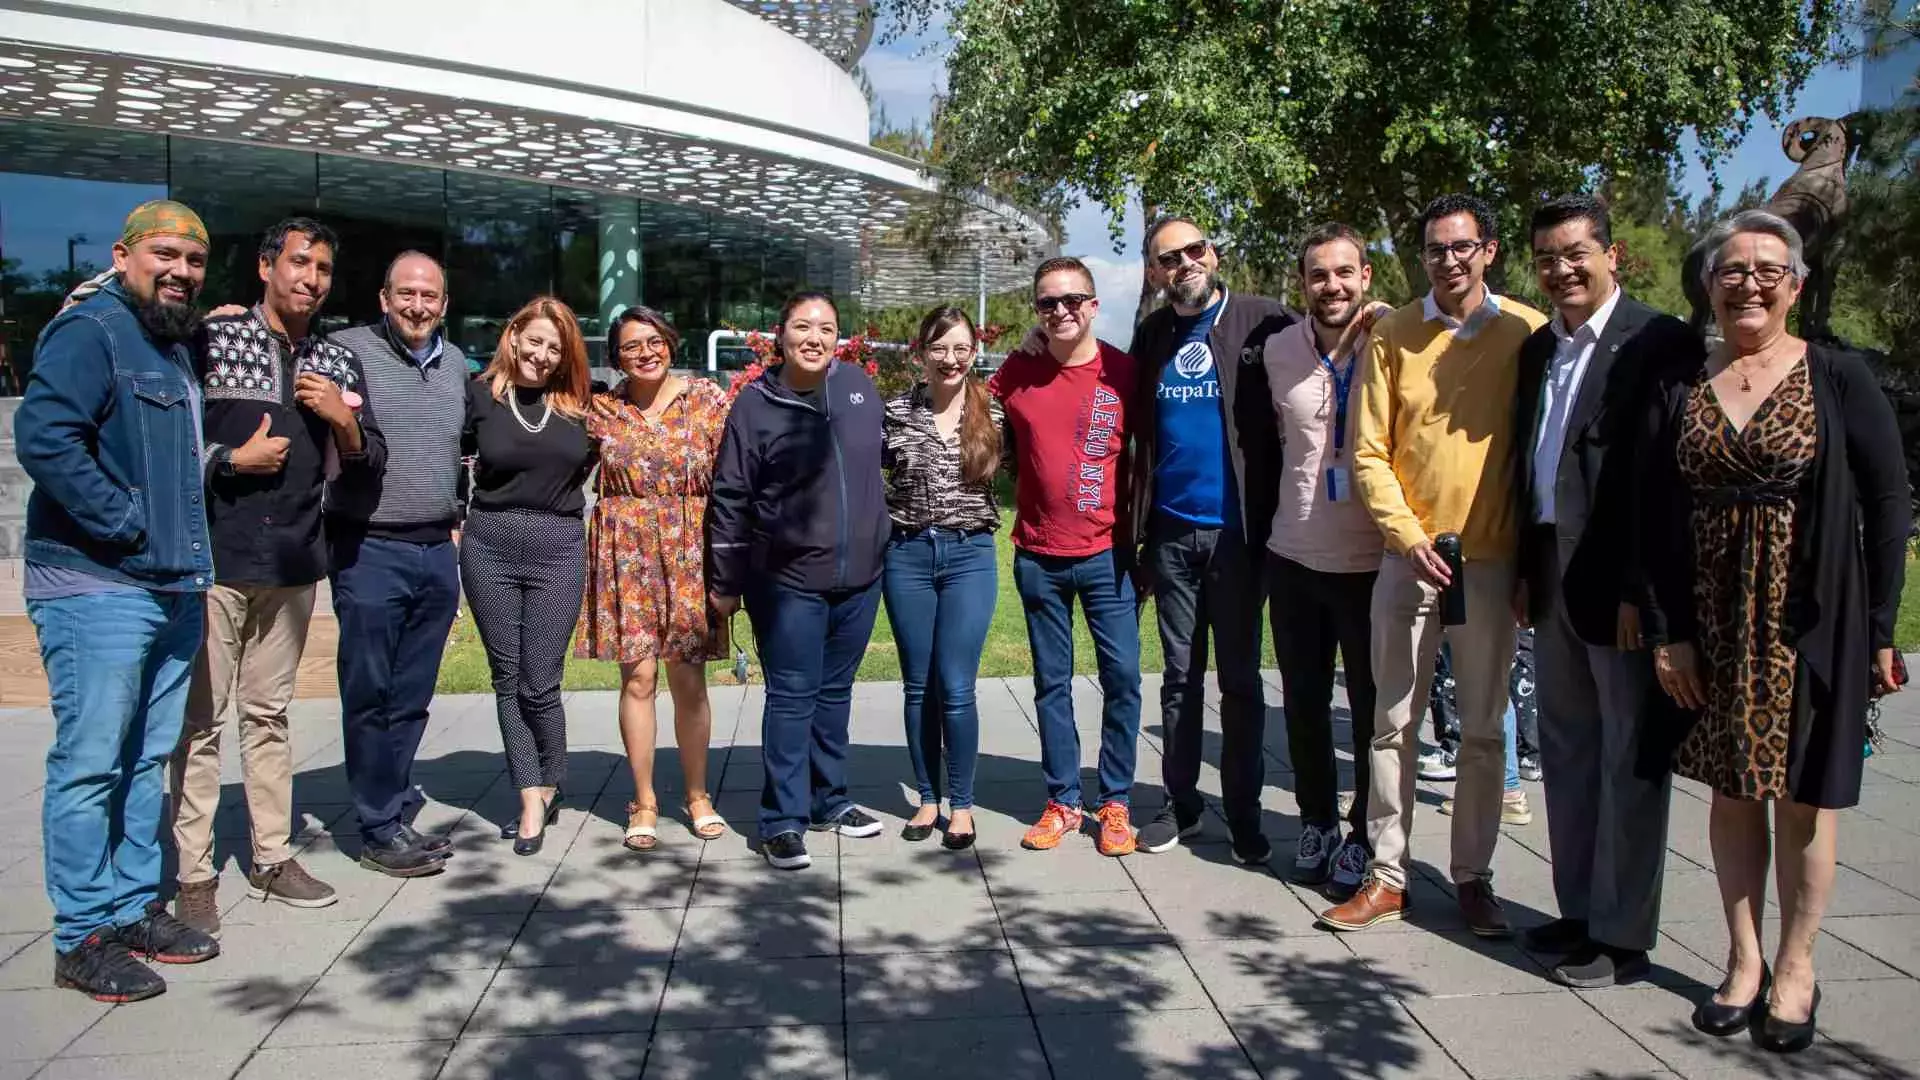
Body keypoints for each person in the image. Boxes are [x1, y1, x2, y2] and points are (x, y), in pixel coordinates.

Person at [1639, 210, 1909, 1054]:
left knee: (1803, 798)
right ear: (1709, 284)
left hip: (1809, 617)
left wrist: (1878, 629)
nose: (1747, 282)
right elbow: (1658, 515)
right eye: (1731, 269)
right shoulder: (1683, 382)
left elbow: (1889, 500)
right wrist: (1668, 630)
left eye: (1766, 268)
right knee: (1730, 790)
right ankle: (1743, 958)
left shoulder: (1836, 375)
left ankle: (1798, 965)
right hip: (1713, 619)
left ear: (1794, 284)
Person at [1320, 193, 1547, 936]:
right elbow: (1368, 450)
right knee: (1391, 724)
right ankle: (1388, 875)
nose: (1447, 261)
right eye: (1434, 250)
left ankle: (1473, 876)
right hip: (1408, 560)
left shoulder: (1527, 332)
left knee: (1482, 729)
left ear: (1489, 250)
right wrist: (1407, 535)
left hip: (1490, 564)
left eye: (1461, 247)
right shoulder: (1394, 333)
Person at [18, 199, 222, 1000]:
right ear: (124, 253)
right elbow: (44, 436)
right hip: (97, 583)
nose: (179, 271)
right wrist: (124, 521)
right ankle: (80, 935)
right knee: (91, 763)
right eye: (164, 255)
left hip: (171, 581)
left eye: (194, 261)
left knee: (147, 759)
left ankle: (134, 905)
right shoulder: (92, 329)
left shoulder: (166, 343)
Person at [167, 218, 386, 938]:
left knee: (268, 716)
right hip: (215, 561)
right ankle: (194, 872)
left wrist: (342, 423)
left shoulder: (338, 361)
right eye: (298, 263)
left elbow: (367, 458)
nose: (311, 279)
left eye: (322, 268)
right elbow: (167, 440)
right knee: (201, 724)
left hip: (295, 563)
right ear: (266, 267)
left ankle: (270, 855)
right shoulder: (211, 340)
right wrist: (230, 461)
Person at [1514, 193, 1698, 988]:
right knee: (1567, 749)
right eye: (1548, 258)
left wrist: (1643, 595)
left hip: (1620, 580)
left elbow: (1661, 483)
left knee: (1628, 755)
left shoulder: (1658, 342)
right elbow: (1529, 467)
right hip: (1551, 570)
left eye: (1575, 253)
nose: (1562, 270)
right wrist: (1525, 568)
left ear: (1611, 255)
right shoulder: (1537, 350)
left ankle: (1624, 937)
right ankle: (1580, 910)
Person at [1126, 217, 1291, 864]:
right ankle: (1183, 806)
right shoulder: (1153, 335)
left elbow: (1329, 352)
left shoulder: (1264, 320)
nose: (1184, 263)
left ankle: (1245, 815)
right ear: (1153, 272)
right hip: (1170, 538)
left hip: (1239, 539)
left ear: (1213, 254)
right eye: (1169, 258)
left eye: (1195, 250)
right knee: (1178, 680)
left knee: (1242, 683)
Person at [708, 291, 891, 871]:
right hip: (786, 580)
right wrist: (725, 580)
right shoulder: (756, 405)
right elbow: (731, 496)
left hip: (861, 577)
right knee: (791, 697)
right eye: (803, 327)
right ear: (780, 335)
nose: (815, 337)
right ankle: (781, 821)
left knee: (835, 694)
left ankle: (828, 800)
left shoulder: (859, 388)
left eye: (827, 328)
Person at [992, 257, 1142, 857]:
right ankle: (1062, 800)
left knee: (1124, 679)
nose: (1061, 312)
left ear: (1094, 304)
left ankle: (1116, 802)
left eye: (1072, 300)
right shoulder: (1017, 369)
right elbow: (970, 414)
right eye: (1048, 303)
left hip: (1107, 555)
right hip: (1038, 556)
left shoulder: (1123, 372)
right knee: (1051, 685)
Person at [325, 251, 466, 876]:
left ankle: (393, 803)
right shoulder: (344, 349)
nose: (417, 306)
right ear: (384, 298)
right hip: (369, 546)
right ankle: (378, 826)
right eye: (406, 294)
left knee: (412, 694)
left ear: (443, 304)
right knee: (369, 689)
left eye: (429, 297)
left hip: (437, 548)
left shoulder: (457, 362)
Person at [577, 307, 732, 852]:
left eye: (653, 341)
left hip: (691, 550)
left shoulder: (708, 400)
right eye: (629, 347)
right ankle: (643, 800)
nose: (644, 353)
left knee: (688, 681)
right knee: (637, 680)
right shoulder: (602, 409)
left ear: (670, 342)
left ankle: (697, 795)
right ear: (615, 357)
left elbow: (739, 473)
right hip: (626, 555)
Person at [1263, 223, 1384, 895]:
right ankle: (1317, 822)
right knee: (1304, 703)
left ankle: (1366, 835)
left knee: (1370, 713)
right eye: (1318, 275)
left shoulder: (1394, 340)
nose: (1331, 286)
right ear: (1303, 282)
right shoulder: (1280, 349)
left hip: (1371, 561)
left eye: (1344, 273)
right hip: (1295, 555)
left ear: (1365, 276)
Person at [461, 297, 597, 856]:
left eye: (554, 348)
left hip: (558, 544)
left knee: (539, 681)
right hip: (489, 541)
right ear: (513, 336)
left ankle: (552, 772)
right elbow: (450, 459)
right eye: (534, 340)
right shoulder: (476, 396)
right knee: (505, 676)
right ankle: (529, 795)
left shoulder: (583, 406)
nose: (541, 355)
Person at [880, 306, 1004, 851]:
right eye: (939, 348)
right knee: (917, 685)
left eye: (960, 348)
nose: (950, 359)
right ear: (921, 352)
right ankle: (927, 799)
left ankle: (961, 805)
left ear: (973, 352)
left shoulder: (994, 412)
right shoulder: (893, 413)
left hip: (969, 555)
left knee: (955, 687)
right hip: (906, 556)